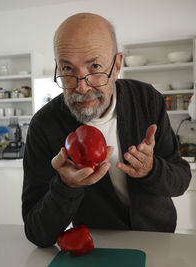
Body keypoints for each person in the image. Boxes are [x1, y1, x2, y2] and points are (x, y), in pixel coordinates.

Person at [22, 12, 191, 247]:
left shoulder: (147, 99)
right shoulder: (44, 125)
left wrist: (151, 169)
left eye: (95, 66)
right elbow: (36, 232)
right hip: (97, 247)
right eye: (68, 69)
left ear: (117, 65)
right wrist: (66, 187)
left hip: (158, 240)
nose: (82, 87)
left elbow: (181, 179)